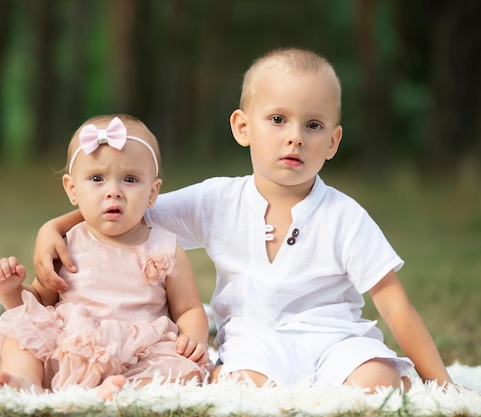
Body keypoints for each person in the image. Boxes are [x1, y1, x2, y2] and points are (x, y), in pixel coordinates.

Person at [32, 48, 455, 392]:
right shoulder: (217, 200)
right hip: (254, 341)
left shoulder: (345, 217)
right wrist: (54, 227)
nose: (295, 137)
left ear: (333, 141)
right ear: (242, 127)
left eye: (313, 125)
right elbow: (129, 209)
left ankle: (358, 381)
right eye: (277, 120)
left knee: (378, 384)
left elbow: (395, 304)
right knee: (239, 390)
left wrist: (443, 386)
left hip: (335, 338)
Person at [0, 114, 213, 401]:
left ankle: (124, 391)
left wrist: (193, 338)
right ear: (72, 189)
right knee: (21, 332)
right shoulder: (67, 243)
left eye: (130, 179)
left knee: (186, 369)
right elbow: (40, 305)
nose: (113, 192)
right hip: (71, 344)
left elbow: (189, 308)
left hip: (138, 352)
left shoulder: (164, 247)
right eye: (97, 179)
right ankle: (27, 381)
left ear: (152, 192)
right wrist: (11, 291)